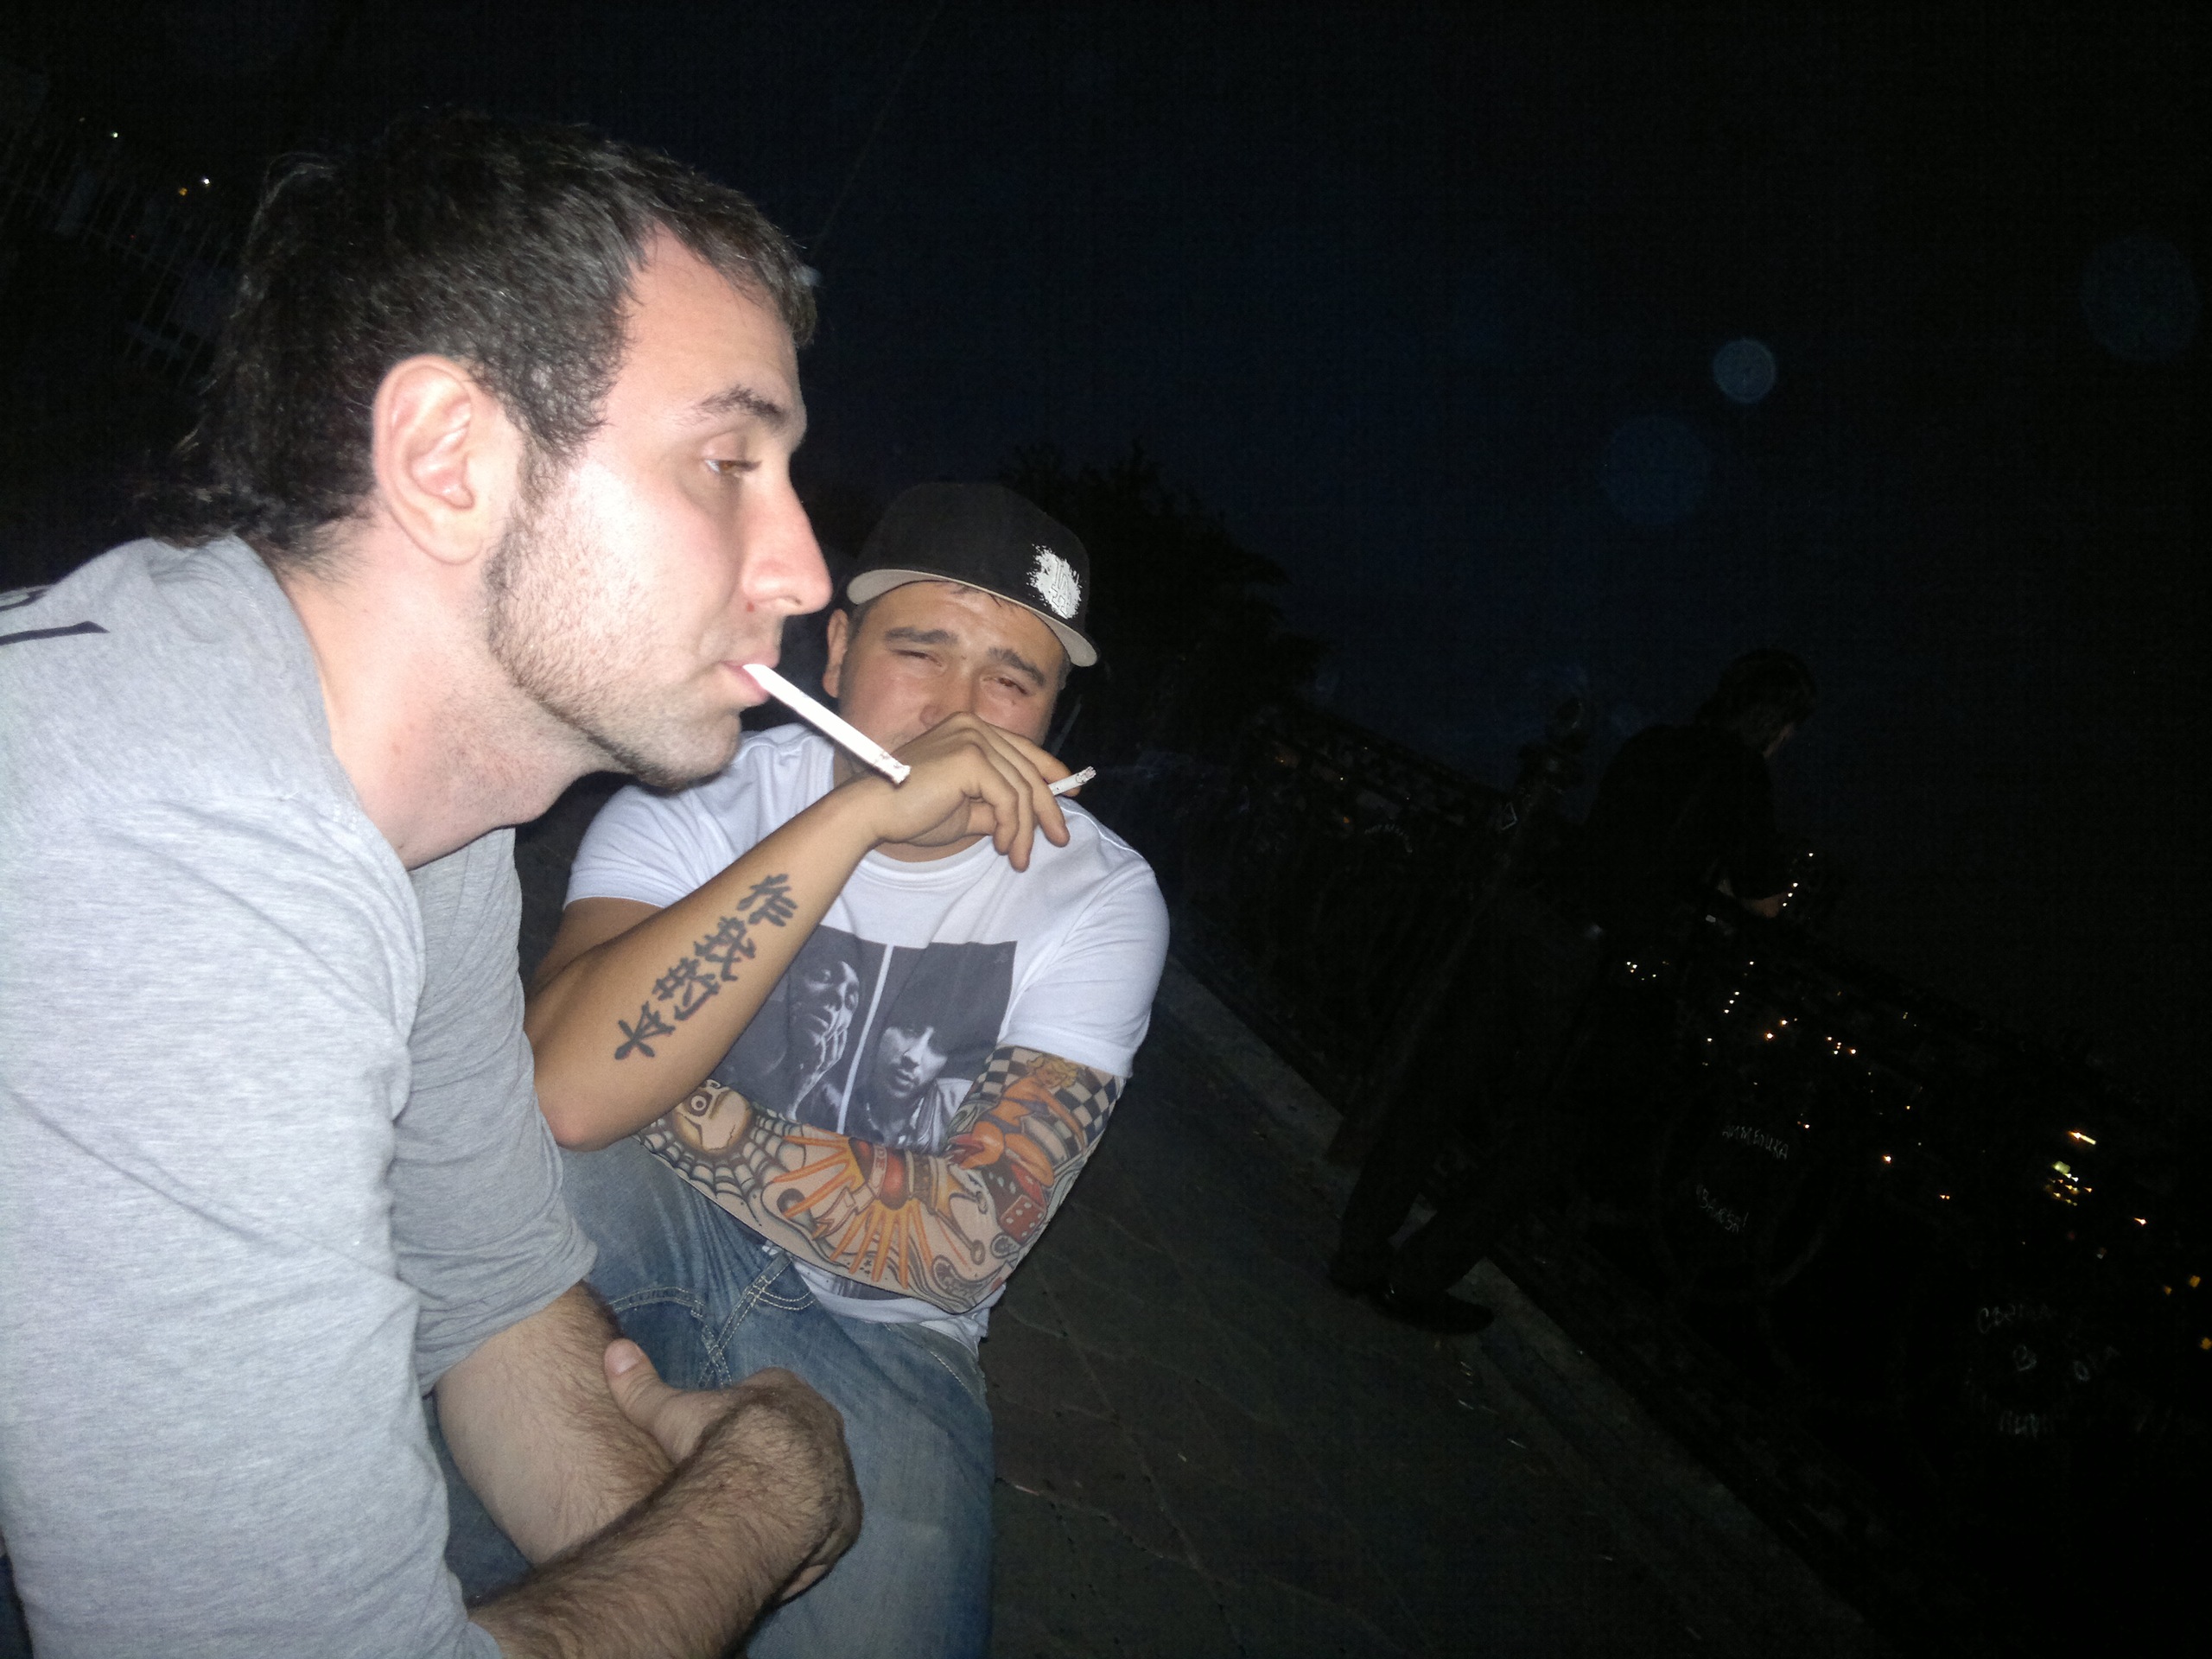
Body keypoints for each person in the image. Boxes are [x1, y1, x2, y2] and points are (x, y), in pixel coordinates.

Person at [0, 112, 880, 1658]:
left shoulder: (436, 832)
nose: (804, 574)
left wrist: (674, 1538)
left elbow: (489, 1290)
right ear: (447, 461)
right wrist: (759, 1494)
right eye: (728, 463)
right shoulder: (173, 849)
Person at [518, 481, 1171, 1658]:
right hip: (650, 1217)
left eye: (1012, 679)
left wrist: (665, 1096)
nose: (959, 711)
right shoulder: (706, 794)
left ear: (1050, 719)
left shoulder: (1101, 894)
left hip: (888, 1333)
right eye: (919, 650)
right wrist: (856, 819)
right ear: (835, 653)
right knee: (505, 1195)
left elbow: (964, 1240)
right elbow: (563, 1086)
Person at [1330, 651, 1815, 1326]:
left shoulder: (1654, 742)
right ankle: (1418, 1276)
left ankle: (1358, 1251)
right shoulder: (1742, 773)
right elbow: (1762, 899)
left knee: (1442, 1085)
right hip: (1587, 956)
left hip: (1532, 911)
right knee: (1554, 1130)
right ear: (1779, 725)